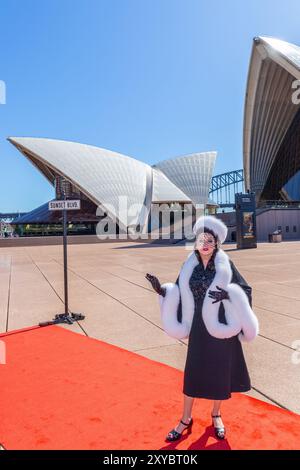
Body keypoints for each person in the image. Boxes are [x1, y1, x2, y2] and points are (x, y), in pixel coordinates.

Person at [146, 215, 259, 442]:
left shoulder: (225, 265)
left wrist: (230, 295)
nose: (205, 243)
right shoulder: (190, 265)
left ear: (216, 243)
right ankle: (185, 418)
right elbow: (178, 290)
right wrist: (163, 292)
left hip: (221, 327)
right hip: (198, 325)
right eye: (201, 240)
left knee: (220, 371)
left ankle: (216, 415)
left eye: (209, 240)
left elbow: (244, 290)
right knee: (194, 371)